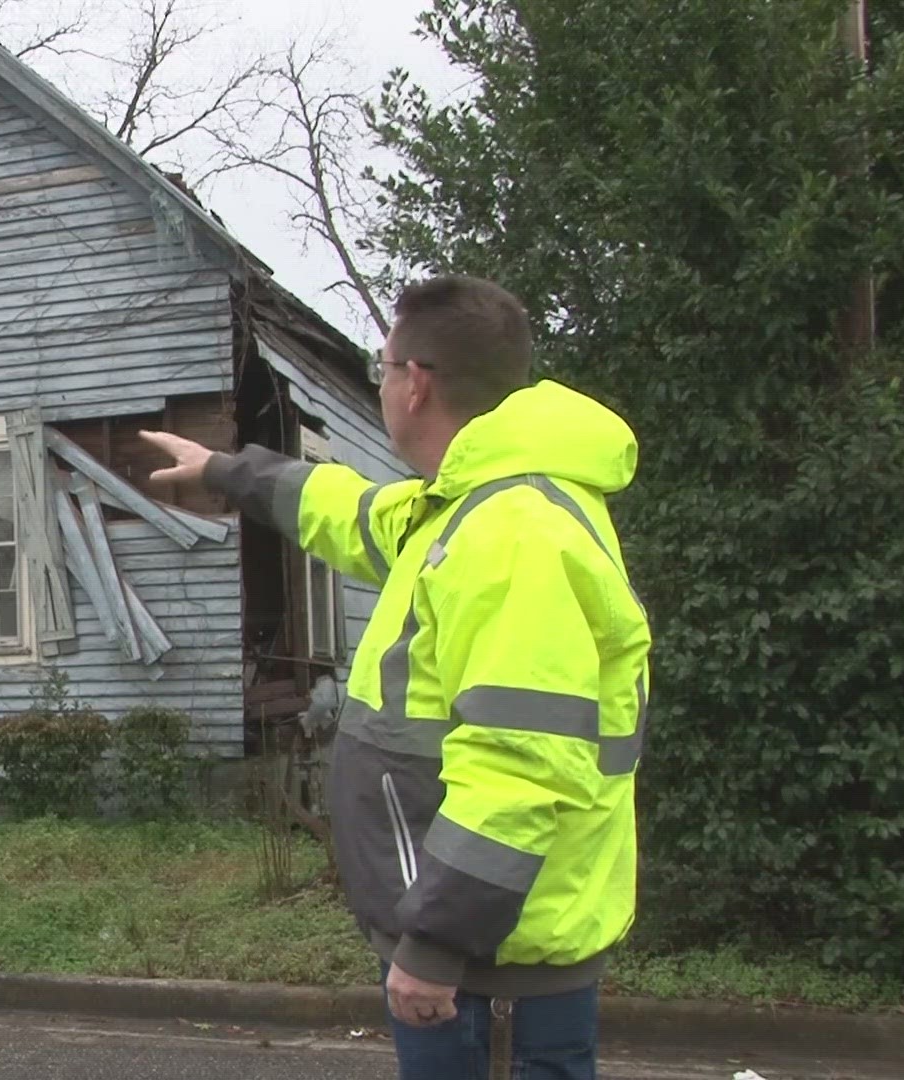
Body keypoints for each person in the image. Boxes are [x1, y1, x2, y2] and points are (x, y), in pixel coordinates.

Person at [140, 276, 649, 1080]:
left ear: (415, 383)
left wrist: (440, 945)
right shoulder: (463, 512)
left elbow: (519, 767)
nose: (380, 389)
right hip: (481, 949)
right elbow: (355, 514)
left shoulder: (513, 536)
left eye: (380, 370)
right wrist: (225, 471)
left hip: (489, 967)